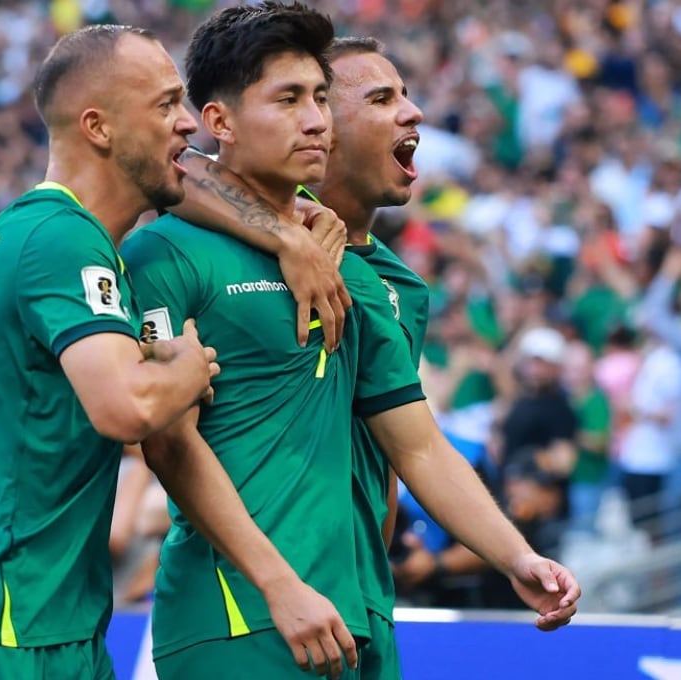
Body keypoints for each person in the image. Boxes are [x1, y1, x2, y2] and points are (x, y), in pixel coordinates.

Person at [122, 5, 579, 679]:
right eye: (290, 99)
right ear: (221, 122)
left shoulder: (358, 277)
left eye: (318, 99)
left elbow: (415, 442)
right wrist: (280, 585)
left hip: (358, 612)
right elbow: (164, 439)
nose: (314, 119)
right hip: (236, 614)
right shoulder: (165, 252)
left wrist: (515, 554)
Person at [0, 26, 220, 679]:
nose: (187, 124)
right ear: (98, 127)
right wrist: (190, 366)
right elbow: (126, 408)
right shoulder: (59, 238)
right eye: (165, 104)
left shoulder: (70, 242)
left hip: (53, 624)